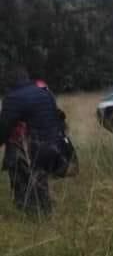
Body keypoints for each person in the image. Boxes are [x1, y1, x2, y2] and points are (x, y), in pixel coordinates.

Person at [0, 66, 66, 217]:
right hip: (52, 144)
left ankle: (29, 212)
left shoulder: (13, 97)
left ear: (9, 82)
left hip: (31, 147)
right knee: (40, 180)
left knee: (18, 169)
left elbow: (4, 127)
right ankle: (45, 211)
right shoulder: (45, 92)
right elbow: (58, 117)